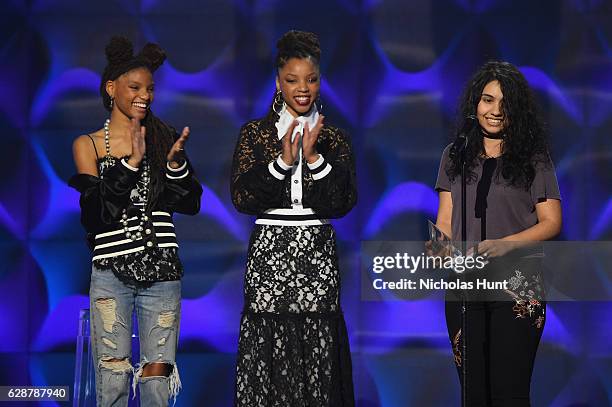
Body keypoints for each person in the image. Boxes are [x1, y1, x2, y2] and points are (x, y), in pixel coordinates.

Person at [69, 36, 202, 406]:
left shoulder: (163, 140)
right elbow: (94, 214)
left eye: (150, 88)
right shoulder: (90, 145)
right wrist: (128, 167)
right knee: (112, 379)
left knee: (157, 381)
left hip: (162, 273)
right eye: (135, 87)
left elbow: (190, 203)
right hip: (111, 273)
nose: (145, 95)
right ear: (112, 89)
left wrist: (175, 167)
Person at [231, 30, 357, 406]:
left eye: (311, 79)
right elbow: (242, 197)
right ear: (278, 82)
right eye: (292, 80)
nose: (302, 88)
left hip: (316, 255)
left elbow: (344, 201)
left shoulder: (335, 138)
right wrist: (283, 162)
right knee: (269, 355)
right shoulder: (256, 134)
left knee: (318, 356)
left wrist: (315, 158)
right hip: (270, 255)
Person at [434, 61, 562, 406]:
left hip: (517, 285)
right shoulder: (454, 156)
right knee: (473, 394)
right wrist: (439, 248)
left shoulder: (534, 158)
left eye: (505, 104)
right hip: (464, 286)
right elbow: (445, 221)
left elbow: (551, 221)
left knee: (509, 393)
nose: (494, 111)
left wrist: (505, 246)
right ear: (475, 103)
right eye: (488, 100)